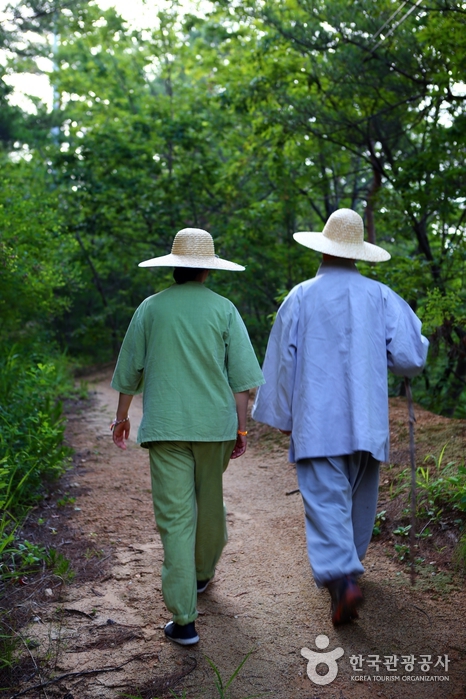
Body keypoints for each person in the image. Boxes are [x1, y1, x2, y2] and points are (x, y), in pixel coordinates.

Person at [252, 208, 429, 625]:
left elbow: (281, 363)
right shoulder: (380, 296)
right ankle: (349, 569)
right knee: (359, 501)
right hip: (367, 421)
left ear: (324, 249)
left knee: (326, 502)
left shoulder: (301, 296)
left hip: (318, 421)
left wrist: (281, 413)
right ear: (357, 253)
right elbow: (409, 356)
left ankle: (344, 580)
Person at [111, 227, 264, 645]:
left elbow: (130, 370)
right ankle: (200, 574)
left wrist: (121, 418)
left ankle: (184, 620)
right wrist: (241, 426)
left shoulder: (150, 308)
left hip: (165, 428)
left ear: (174, 266)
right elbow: (242, 380)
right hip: (214, 426)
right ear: (206, 271)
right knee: (209, 500)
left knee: (175, 518)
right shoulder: (225, 310)